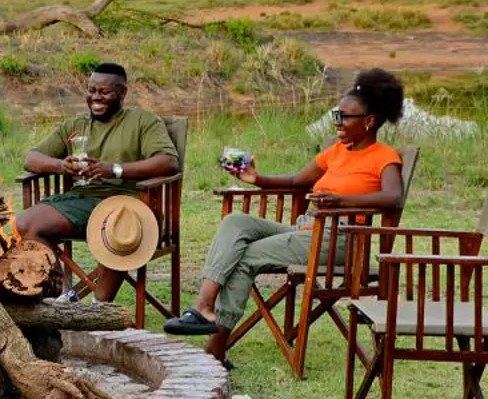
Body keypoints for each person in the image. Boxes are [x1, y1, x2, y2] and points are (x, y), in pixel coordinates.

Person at [164, 68, 406, 368]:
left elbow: (393, 197)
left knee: (245, 256)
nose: (338, 122)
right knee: (235, 223)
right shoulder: (337, 151)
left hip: (341, 240)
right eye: (336, 115)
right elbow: (296, 181)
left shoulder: (385, 156)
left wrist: (340, 200)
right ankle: (204, 307)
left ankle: (213, 342)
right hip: (307, 228)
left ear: (369, 122)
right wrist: (256, 178)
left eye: (345, 117)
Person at [15, 62, 180, 301]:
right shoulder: (75, 125)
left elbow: (168, 162)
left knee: (118, 230)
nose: (95, 97)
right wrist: (61, 165)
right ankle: (62, 297)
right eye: (91, 90)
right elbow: (31, 158)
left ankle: (98, 305)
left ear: (122, 93)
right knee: (25, 223)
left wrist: (114, 170)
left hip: (129, 203)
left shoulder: (143, 121)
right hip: (84, 200)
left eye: (104, 92)